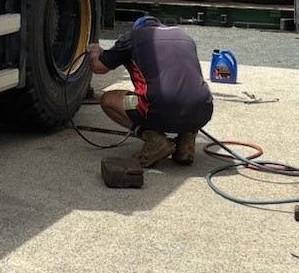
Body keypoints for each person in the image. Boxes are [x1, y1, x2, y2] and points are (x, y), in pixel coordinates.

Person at [86, 16, 213, 168]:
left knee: (108, 100)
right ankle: (185, 142)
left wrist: (95, 53)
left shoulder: (132, 37)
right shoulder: (184, 36)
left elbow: (98, 68)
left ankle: (154, 140)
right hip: (202, 111)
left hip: (158, 109)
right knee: (190, 90)